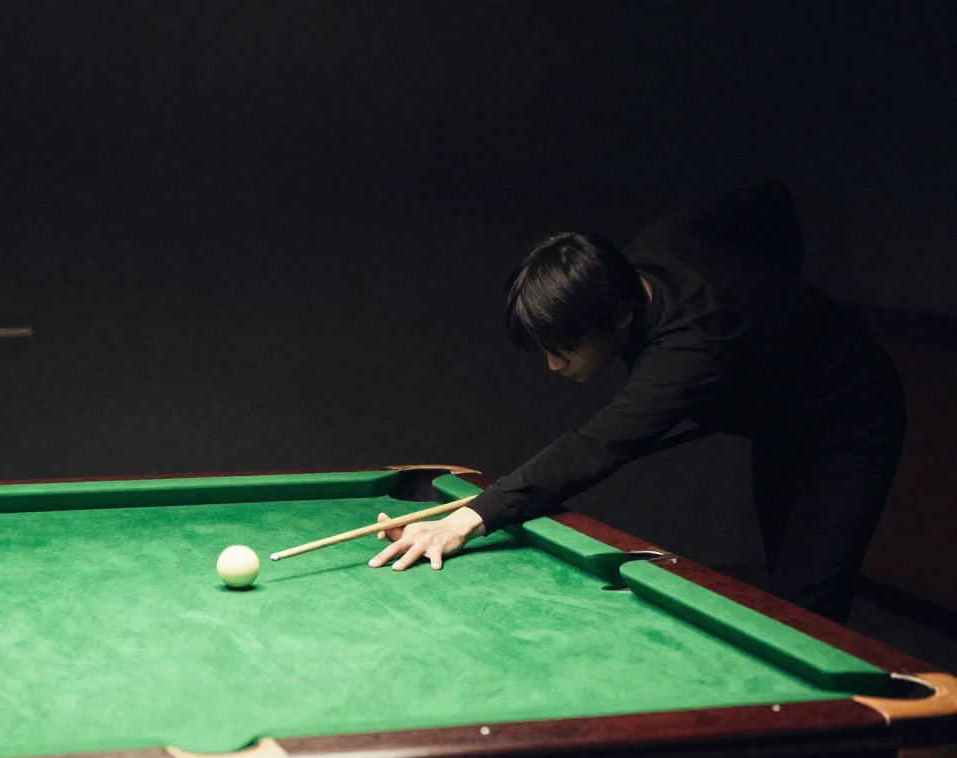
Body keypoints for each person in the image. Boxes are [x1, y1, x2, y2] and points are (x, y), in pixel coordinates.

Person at [368, 183, 906, 625]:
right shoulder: (658, 247)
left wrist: (466, 520)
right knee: (784, 587)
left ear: (621, 317)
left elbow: (595, 447)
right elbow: (770, 201)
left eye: (562, 349)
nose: (553, 366)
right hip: (780, 423)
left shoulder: (688, 350)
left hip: (849, 420)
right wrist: (774, 310)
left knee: (806, 614)